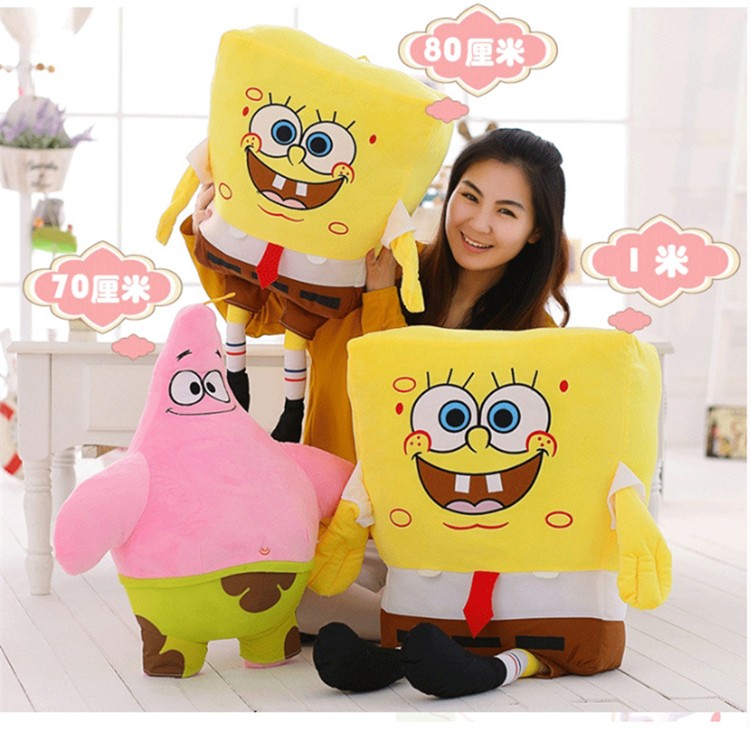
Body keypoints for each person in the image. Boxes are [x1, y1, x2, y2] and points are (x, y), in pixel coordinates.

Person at [182, 127, 570, 641]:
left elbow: (406, 399)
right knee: (251, 578)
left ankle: (411, 623)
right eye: (470, 197)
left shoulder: (534, 334)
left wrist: (382, 299)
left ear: (536, 231)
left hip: (440, 537)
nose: (478, 223)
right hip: (341, 522)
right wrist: (212, 239)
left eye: (506, 211)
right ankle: (423, 628)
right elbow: (262, 314)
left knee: (290, 600)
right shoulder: (378, 262)